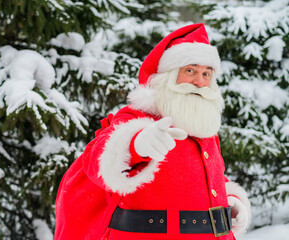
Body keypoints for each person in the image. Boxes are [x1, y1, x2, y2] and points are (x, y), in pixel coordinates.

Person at [54, 23, 251, 240]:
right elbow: (96, 161)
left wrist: (230, 198)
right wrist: (136, 145)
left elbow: (204, 179)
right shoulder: (138, 116)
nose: (199, 82)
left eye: (206, 74)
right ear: (169, 75)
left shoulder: (205, 130)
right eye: (190, 71)